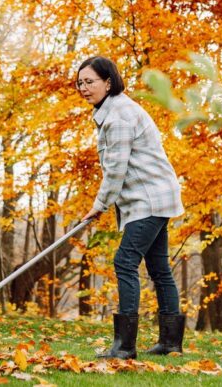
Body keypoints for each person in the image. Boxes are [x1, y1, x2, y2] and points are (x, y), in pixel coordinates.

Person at [78, 56, 185, 359]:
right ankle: (170, 342)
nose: (84, 88)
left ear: (108, 82)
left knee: (125, 261)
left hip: (150, 199)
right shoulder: (112, 111)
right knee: (159, 268)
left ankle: (125, 346)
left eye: (90, 82)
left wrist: (98, 205)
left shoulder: (119, 117)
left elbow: (116, 171)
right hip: (152, 198)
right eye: (80, 83)